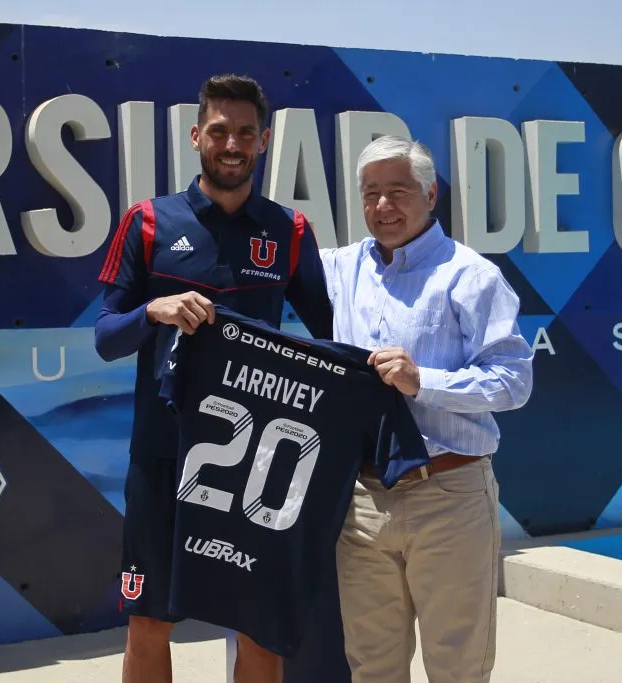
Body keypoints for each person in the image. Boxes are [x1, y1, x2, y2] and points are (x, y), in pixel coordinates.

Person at [93, 73, 333, 683]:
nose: (233, 144)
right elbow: (104, 337)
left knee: (258, 625)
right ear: (197, 135)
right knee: (149, 622)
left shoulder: (291, 231)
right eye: (220, 131)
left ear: (265, 141)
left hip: (259, 468)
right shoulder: (147, 221)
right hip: (163, 459)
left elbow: (334, 338)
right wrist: (155, 310)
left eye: (246, 133)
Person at [319, 135, 534, 683]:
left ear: (431, 194)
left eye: (398, 190)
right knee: (371, 669)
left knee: (458, 668)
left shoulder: (471, 275)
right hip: (363, 504)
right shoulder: (340, 269)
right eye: (371, 194)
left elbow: (514, 382)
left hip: (450, 497)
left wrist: (424, 381)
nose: (383, 206)